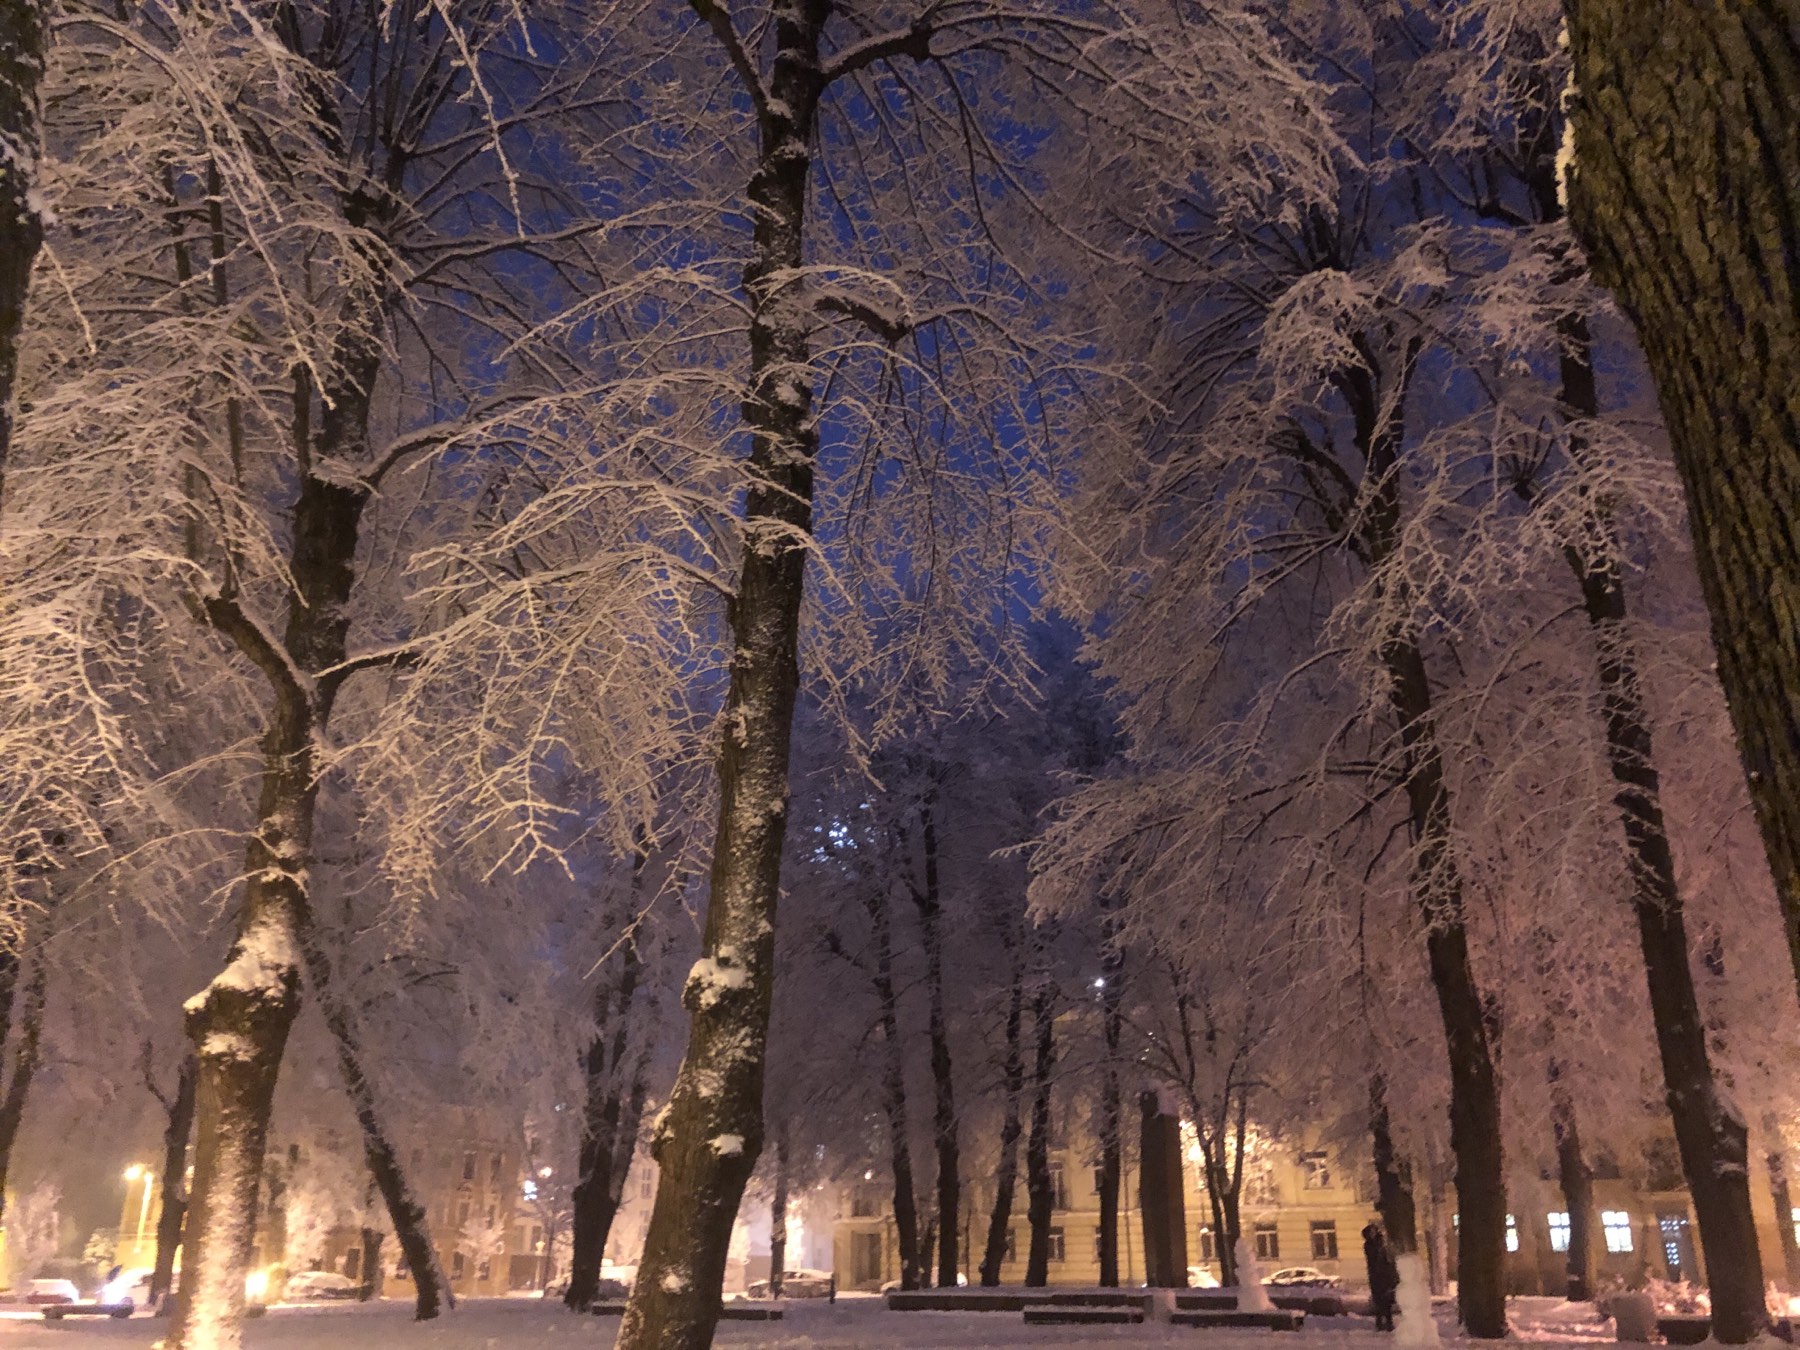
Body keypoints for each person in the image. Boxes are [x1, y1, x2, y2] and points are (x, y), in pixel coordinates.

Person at [1363, 1221, 1398, 1332]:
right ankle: (1379, 1322)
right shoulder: (1369, 1245)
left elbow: (1388, 1259)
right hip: (1375, 1276)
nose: (1372, 1234)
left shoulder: (1382, 1243)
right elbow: (1373, 1259)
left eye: (1373, 1231)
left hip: (1385, 1275)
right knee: (1378, 1300)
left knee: (1387, 1300)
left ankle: (1388, 1322)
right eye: (1370, 1232)